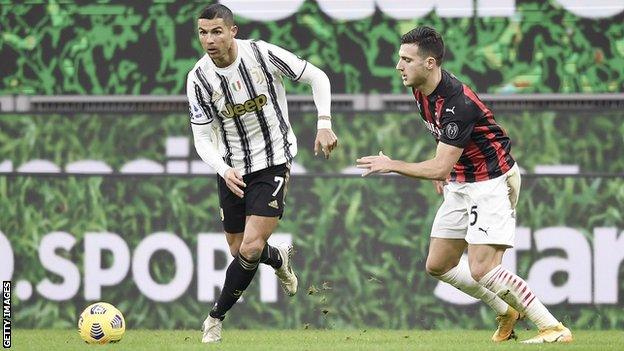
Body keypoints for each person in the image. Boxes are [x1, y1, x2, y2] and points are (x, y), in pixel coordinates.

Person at [356, 26, 572, 344]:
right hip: (461, 179)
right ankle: (506, 311)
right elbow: (443, 145)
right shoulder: (420, 88)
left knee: (482, 268)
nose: (398, 66)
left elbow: (441, 162)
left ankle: (553, 327)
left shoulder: (457, 103)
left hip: (491, 180)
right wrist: (444, 171)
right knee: (439, 264)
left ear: (430, 63)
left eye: (406, 59)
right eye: (399, 58)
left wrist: (395, 165)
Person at [186, 4, 338, 343]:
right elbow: (201, 137)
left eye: (216, 31)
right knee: (239, 249)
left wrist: (324, 123)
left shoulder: (261, 54)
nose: (209, 40)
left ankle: (214, 318)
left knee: (251, 248)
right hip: (232, 169)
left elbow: (318, 76)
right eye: (202, 32)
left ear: (232, 31)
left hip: (273, 162)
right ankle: (279, 257)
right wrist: (223, 169)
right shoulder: (198, 78)